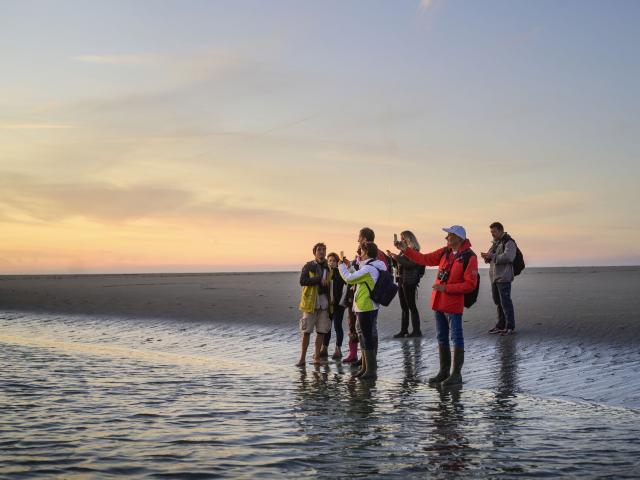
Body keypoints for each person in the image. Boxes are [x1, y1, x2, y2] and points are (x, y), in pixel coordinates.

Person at [397, 225, 478, 387]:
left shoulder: (470, 257)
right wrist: (405, 250)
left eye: (449, 235)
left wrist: (446, 288)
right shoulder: (445, 251)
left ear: (457, 237)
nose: (446, 238)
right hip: (439, 301)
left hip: (453, 302)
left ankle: (456, 375)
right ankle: (443, 372)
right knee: (441, 336)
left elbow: (470, 285)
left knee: (456, 337)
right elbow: (424, 259)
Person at [338, 242, 387, 379]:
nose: (359, 254)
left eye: (361, 251)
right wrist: (349, 266)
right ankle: (366, 368)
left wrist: (340, 265)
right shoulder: (374, 266)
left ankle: (370, 371)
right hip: (368, 305)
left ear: (365, 252)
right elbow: (359, 277)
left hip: (366, 305)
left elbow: (349, 279)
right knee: (364, 335)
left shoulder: (369, 268)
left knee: (366, 336)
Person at [296, 242, 331, 367]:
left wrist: (327, 286)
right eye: (319, 250)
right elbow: (302, 281)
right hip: (310, 303)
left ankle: (317, 357)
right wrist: (318, 279)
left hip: (324, 304)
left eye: (323, 250)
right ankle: (302, 358)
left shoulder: (328, 267)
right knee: (306, 331)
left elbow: (329, 285)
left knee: (321, 332)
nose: (322, 252)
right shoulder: (308, 266)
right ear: (315, 253)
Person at [481, 222, 517, 336]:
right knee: (498, 302)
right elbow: (492, 257)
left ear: (501, 230)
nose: (492, 234)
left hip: (504, 277)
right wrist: (487, 257)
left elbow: (509, 257)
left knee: (506, 302)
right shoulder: (495, 243)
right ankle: (501, 325)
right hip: (494, 277)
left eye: (494, 232)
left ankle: (510, 327)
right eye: (491, 232)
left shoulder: (509, 242)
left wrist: (492, 256)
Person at [387, 231, 424, 338]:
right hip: (402, 280)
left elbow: (410, 265)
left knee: (411, 305)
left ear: (409, 239)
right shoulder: (404, 251)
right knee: (404, 306)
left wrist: (396, 257)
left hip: (410, 280)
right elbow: (399, 264)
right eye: (401, 238)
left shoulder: (414, 250)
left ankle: (417, 331)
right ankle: (404, 330)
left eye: (403, 238)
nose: (401, 240)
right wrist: (392, 257)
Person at [321, 252, 347, 359]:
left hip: (338, 304)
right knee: (327, 327)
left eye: (333, 261)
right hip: (328, 304)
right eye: (329, 260)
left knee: (337, 326)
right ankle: (324, 349)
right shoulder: (325, 272)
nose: (331, 263)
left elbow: (347, 281)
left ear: (337, 262)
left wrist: (342, 266)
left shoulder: (339, 272)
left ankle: (338, 350)